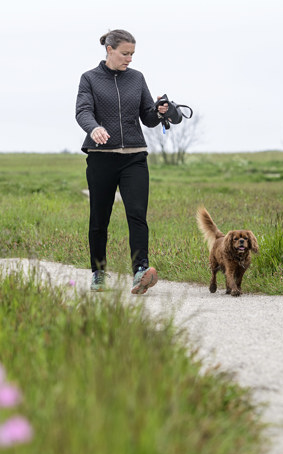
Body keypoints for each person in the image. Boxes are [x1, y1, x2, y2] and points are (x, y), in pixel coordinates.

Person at [75, 29, 172, 294]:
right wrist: (93, 128)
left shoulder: (137, 78)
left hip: (134, 157)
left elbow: (147, 117)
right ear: (109, 50)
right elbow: (82, 110)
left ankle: (141, 271)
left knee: (137, 215)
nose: (129, 59)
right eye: (125, 53)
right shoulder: (90, 79)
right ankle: (98, 273)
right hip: (101, 159)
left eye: (132, 54)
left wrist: (159, 111)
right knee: (99, 220)